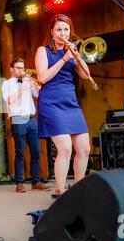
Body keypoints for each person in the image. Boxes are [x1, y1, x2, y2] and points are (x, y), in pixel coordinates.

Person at [35, 14, 91, 199]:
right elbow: (42, 78)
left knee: (84, 148)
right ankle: (60, 191)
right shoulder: (43, 51)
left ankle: (79, 190)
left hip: (71, 103)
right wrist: (65, 58)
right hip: (51, 103)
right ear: (52, 32)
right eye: (59, 29)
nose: (62, 33)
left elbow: (85, 75)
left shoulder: (71, 52)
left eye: (66, 29)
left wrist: (77, 56)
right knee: (65, 148)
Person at [1, 57, 50, 192]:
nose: (21, 70)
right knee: (20, 152)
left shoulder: (28, 81)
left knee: (36, 151)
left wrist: (35, 84)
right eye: (18, 67)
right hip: (17, 118)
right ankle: (19, 183)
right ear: (11, 69)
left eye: (22, 67)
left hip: (31, 119)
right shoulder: (7, 84)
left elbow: (38, 95)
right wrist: (24, 87)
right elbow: (10, 100)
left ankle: (36, 181)